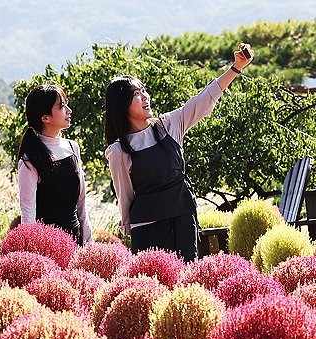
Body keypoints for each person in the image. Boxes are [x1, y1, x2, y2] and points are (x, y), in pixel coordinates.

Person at [104, 43, 254, 262]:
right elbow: (124, 196)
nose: (145, 97)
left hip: (183, 217)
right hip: (148, 228)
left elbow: (204, 100)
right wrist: (128, 229)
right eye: (137, 94)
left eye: (144, 90)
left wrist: (236, 67)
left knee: (187, 278)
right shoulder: (118, 151)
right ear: (121, 105)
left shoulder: (168, 125)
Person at [17, 83, 92, 245]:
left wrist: (88, 241)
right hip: (47, 246)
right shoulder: (30, 160)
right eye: (62, 106)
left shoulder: (73, 148)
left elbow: (81, 203)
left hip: (75, 239)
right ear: (45, 118)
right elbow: (28, 213)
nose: (69, 110)